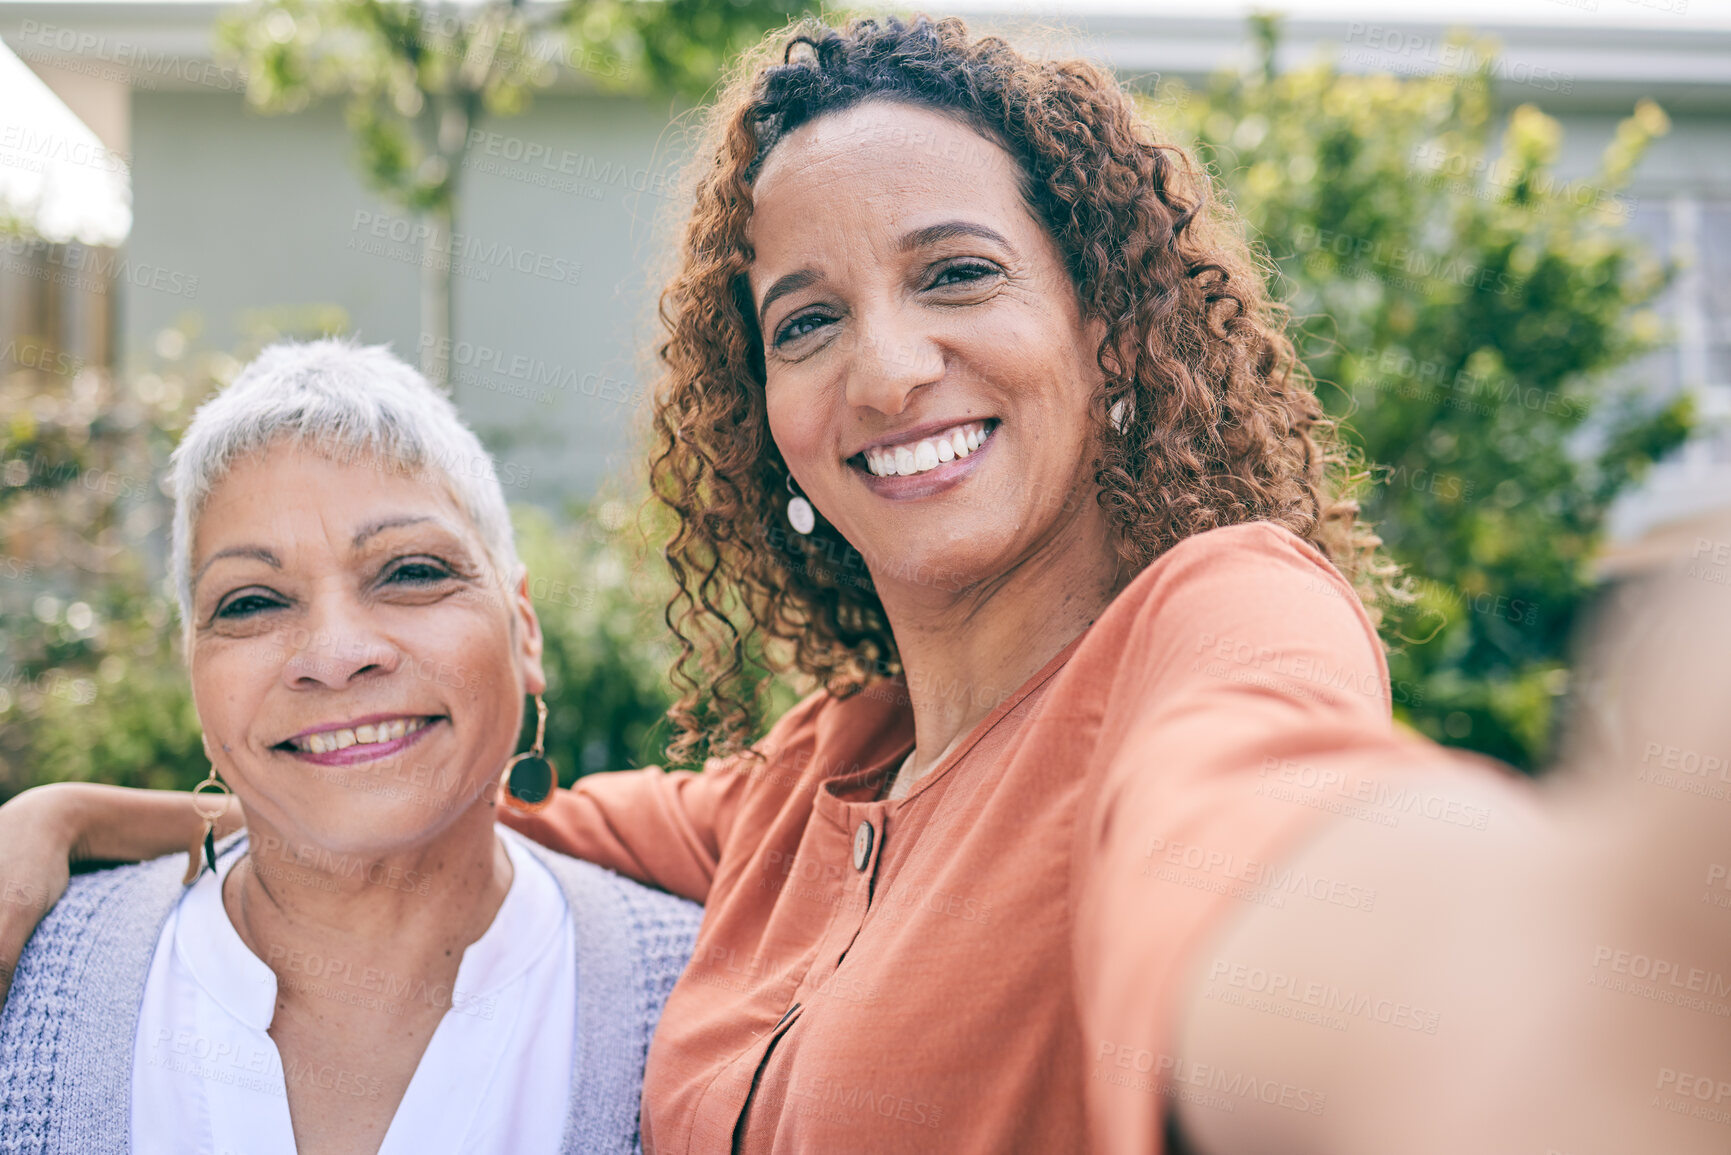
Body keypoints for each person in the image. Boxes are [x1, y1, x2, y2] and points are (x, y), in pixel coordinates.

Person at [3, 15, 1729, 1154]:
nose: (888, 368)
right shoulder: (797, 793)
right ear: (767, 423)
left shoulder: (1210, 624)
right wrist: (83, 818)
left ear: (1109, 330)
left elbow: (1259, 827)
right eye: (807, 320)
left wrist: (1537, 1002)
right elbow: (430, 791)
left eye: (957, 274)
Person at [0, 340, 700, 1155]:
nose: (335, 654)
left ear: (525, 630)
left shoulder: (709, 999)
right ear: (194, 669)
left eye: (408, 571)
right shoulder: (29, 979)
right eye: (252, 601)